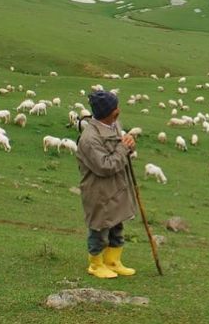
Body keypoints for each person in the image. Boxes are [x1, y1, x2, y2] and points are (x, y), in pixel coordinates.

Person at [76, 90, 138, 278]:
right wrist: (123, 148)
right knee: (100, 227)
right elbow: (105, 166)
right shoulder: (89, 139)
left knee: (116, 225)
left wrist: (130, 144)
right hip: (99, 191)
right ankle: (96, 264)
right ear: (112, 112)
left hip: (117, 187)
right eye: (116, 107)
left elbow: (123, 147)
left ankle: (113, 261)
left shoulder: (114, 125)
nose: (119, 110)